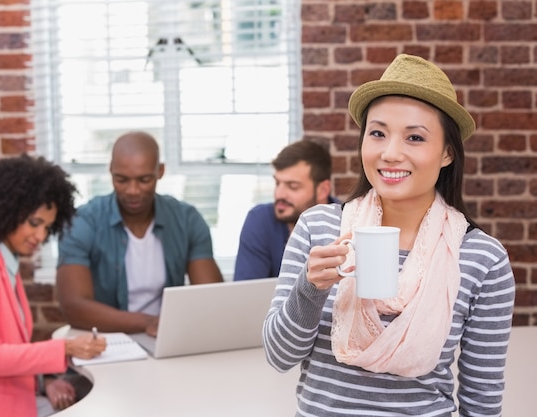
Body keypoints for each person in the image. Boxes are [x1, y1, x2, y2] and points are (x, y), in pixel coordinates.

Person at [263, 54, 516, 416]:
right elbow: (278, 357)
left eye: (414, 137)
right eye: (377, 133)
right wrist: (310, 288)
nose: (390, 153)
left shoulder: (482, 259)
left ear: (447, 152)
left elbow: (482, 397)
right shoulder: (318, 228)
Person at [0, 154, 107, 417]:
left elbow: (11, 350)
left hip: (13, 396)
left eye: (47, 227)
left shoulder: (4, 264)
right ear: (7, 210)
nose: (40, 236)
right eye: (35, 223)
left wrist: (46, 382)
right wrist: (65, 347)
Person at [56, 131, 223, 336]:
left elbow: (211, 297)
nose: (132, 190)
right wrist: (147, 322)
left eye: (144, 180)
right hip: (107, 337)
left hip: (164, 335)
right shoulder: (83, 222)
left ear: (160, 172)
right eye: (122, 180)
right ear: (110, 171)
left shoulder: (186, 220)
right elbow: (74, 307)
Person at [234, 139, 340, 281]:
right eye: (277, 183)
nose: (279, 194)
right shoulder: (260, 220)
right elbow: (246, 297)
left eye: (292, 186)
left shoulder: (348, 221)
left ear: (322, 190)